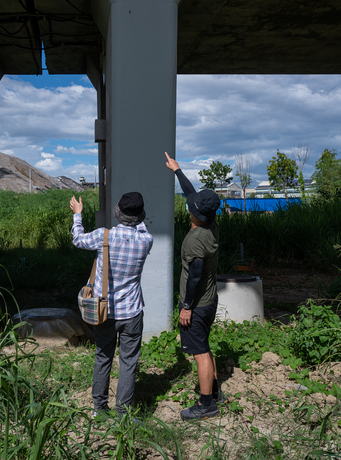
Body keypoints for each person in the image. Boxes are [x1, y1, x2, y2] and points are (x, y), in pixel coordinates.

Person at [70, 191, 154, 420]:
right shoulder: (146, 240)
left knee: (103, 356)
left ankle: (99, 408)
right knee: (128, 363)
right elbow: (142, 226)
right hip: (132, 312)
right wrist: (138, 214)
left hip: (104, 310)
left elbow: (78, 239)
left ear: (118, 213)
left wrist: (78, 215)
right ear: (139, 217)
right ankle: (124, 414)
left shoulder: (103, 236)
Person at [164, 151, 225, 421]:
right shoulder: (211, 225)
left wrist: (186, 307)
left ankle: (206, 405)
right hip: (210, 301)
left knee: (199, 353)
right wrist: (177, 171)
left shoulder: (194, 240)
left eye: (192, 207)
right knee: (206, 346)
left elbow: (195, 275)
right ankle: (215, 393)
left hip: (197, 305)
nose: (189, 206)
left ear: (196, 214)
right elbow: (192, 196)